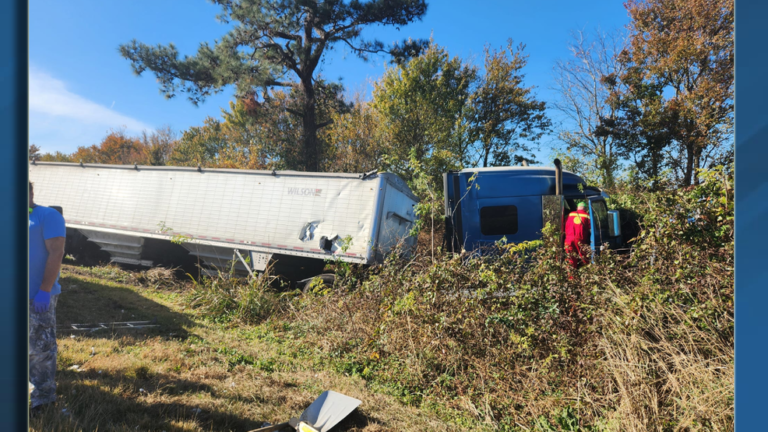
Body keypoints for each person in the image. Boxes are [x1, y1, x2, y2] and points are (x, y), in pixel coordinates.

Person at [28, 181, 66, 411]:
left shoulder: (47, 216)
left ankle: (42, 400)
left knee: (40, 350)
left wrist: (44, 290)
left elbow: (56, 252)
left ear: (30, 193)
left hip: (37, 296)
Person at [564, 201, 591, 269]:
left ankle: (571, 278)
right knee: (584, 259)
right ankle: (584, 275)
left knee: (570, 260)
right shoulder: (587, 216)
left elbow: (564, 224)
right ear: (585, 208)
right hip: (580, 240)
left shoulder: (570, 214)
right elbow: (591, 228)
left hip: (568, 240)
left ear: (577, 208)